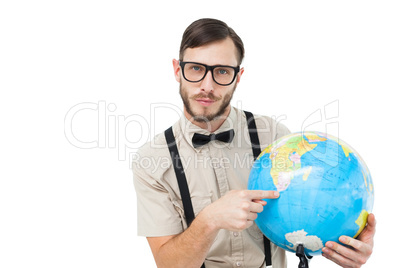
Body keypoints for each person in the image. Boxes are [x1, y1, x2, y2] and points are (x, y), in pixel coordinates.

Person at [132, 18, 376, 268]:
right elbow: (168, 264)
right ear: (177, 69)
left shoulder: (276, 138)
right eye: (196, 68)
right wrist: (210, 219)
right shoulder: (152, 161)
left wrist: (349, 244)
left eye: (222, 71)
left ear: (238, 77)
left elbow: (310, 211)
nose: (207, 86)